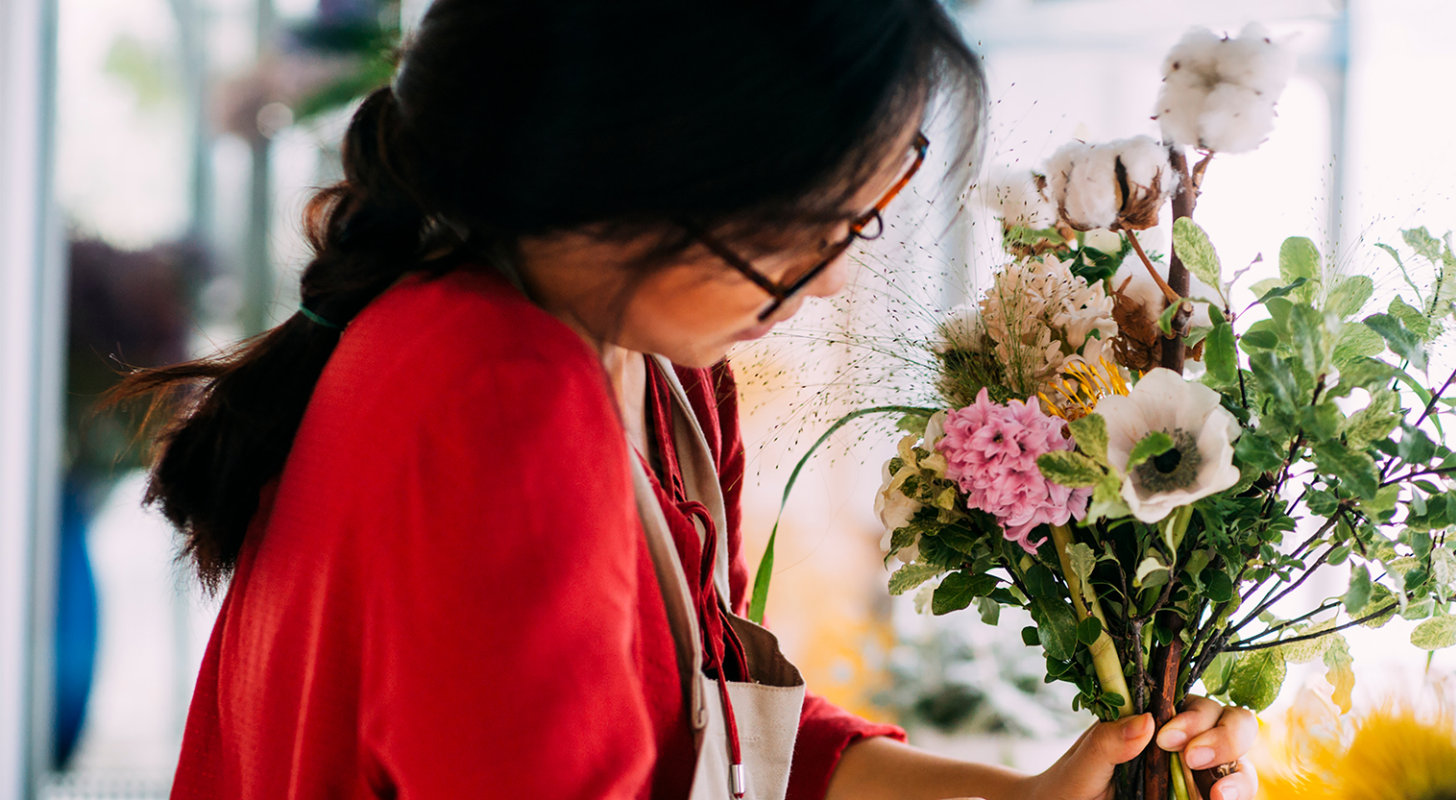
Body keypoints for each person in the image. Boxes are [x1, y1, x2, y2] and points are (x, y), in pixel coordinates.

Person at [112, 1, 1260, 798]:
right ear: (667, 153)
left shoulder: (655, 375)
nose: (839, 276)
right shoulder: (502, 399)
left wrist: (1006, 793)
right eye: (822, 223)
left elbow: (709, 730)